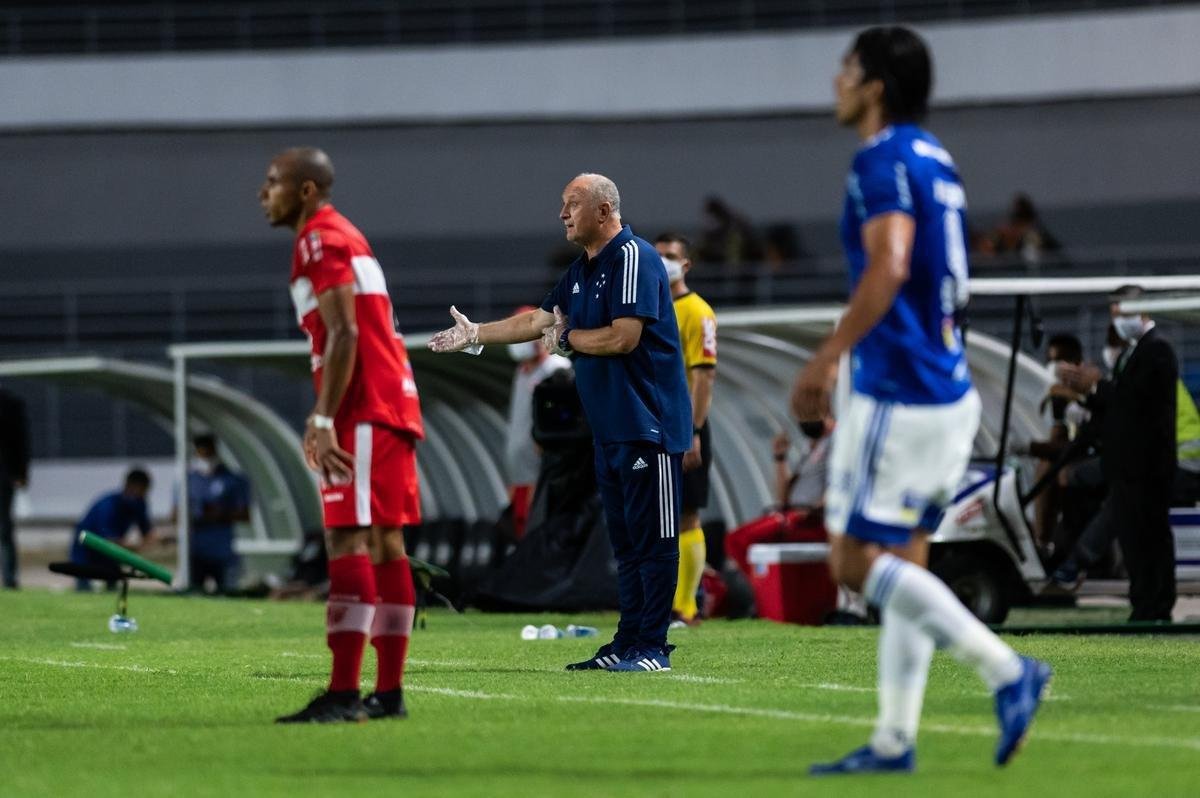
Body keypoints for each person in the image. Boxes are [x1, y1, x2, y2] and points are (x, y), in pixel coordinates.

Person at [791, 27, 1051, 776]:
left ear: (873, 84)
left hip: (896, 388)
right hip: (946, 386)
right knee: (906, 565)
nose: (835, 80)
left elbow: (890, 264)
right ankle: (893, 742)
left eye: (846, 68)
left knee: (850, 563)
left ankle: (1007, 670)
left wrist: (828, 354)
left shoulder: (881, 159)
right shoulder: (936, 158)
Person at [429, 173, 691, 673]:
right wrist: (475, 334)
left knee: (653, 541)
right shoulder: (580, 270)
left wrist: (570, 340)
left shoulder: (633, 257)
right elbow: (540, 321)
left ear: (604, 210)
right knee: (627, 544)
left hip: (648, 425)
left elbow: (623, 337)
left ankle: (653, 647)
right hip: (611, 429)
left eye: (572, 203)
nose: (562, 213)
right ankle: (627, 641)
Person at [261, 147, 423, 723]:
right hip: (392, 403)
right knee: (384, 545)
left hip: (363, 409)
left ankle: (343, 692)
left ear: (306, 190)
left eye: (274, 182)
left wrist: (323, 417)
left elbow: (345, 335)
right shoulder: (348, 236)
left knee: (347, 542)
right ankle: (388, 693)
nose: (264, 193)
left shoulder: (319, 240)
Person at [1055, 286, 1178, 621]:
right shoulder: (1136, 351)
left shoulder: (1158, 351)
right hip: (1128, 464)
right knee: (1133, 538)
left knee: (1149, 537)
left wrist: (1099, 384)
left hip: (1148, 465)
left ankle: (1156, 605)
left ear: (1142, 311)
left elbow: (1136, 403)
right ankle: (1144, 603)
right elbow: (1119, 407)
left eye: (1121, 314)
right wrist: (1087, 389)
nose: (1118, 323)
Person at [655, 232, 717, 627]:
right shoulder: (655, 307)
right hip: (657, 422)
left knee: (687, 515)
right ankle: (666, 604)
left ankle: (687, 608)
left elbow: (704, 375)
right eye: (658, 255)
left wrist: (693, 430)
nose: (663, 262)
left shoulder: (697, 311)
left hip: (685, 424)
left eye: (671, 256)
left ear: (686, 265)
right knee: (660, 516)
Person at [724, 420, 832, 582]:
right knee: (736, 541)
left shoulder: (837, 443)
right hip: (791, 516)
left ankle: (763, 589)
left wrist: (813, 510)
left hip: (807, 520)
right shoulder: (809, 447)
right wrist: (780, 457)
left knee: (738, 541)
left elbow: (841, 486)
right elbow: (782, 497)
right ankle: (764, 589)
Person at [503, 306, 571, 539]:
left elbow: (562, 427)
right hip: (520, 477)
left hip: (542, 478)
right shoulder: (521, 373)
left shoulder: (556, 370)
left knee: (541, 536)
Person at [182, 433, 251, 595]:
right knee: (194, 596)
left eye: (208, 452)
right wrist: (196, 516)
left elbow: (245, 514)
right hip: (195, 550)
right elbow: (176, 514)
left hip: (222, 551)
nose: (205, 457)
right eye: (201, 452)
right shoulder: (188, 481)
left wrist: (220, 514)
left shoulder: (232, 479)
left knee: (226, 594)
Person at [69, 468, 154, 591]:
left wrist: (157, 539)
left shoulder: (139, 504)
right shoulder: (109, 505)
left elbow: (147, 532)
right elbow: (109, 539)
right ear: (129, 485)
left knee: (113, 583)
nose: (143, 494)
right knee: (84, 585)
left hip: (109, 553)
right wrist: (133, 546)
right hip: (86, 548)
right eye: (141, 490)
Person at [0, 386, 31, 589]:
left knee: (4, 528)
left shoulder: (10, 404)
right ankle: (10, 578)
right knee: (5, 528)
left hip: (4, 474)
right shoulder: (10, 403)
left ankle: (10, 578)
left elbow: (21, 440)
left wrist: (21, 473)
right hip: (5, 474)